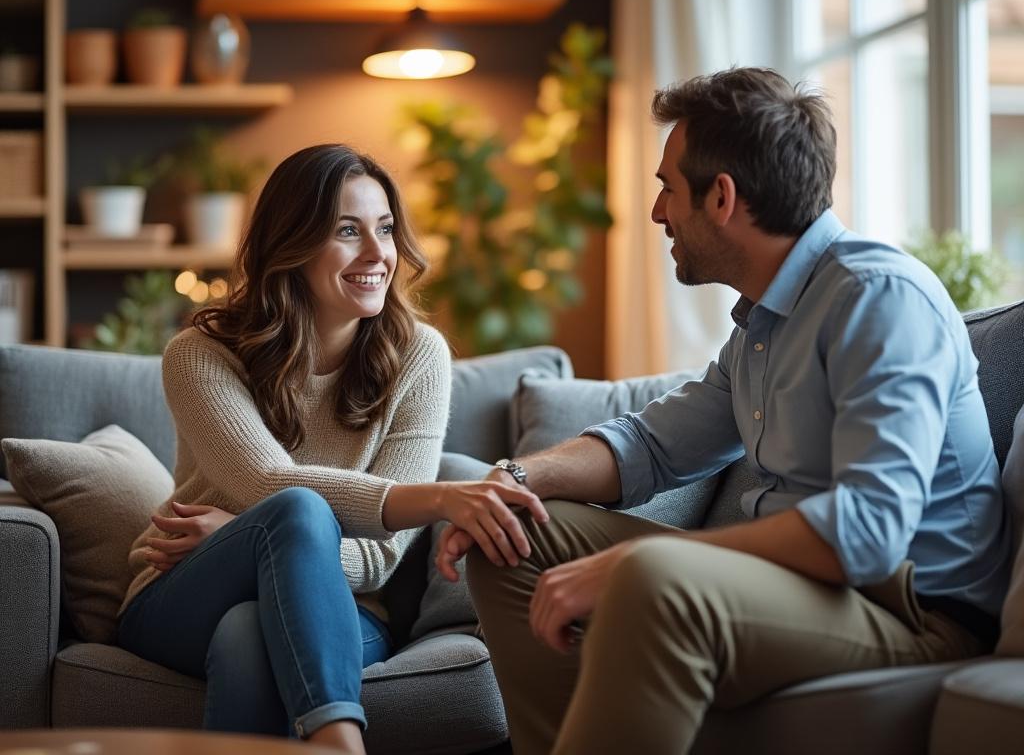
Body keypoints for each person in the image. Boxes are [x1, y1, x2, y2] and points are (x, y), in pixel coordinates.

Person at [436, 67, 1013, 754]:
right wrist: (513, 480)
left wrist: (632, 567)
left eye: (666, 189)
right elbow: (651, 446)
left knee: (655, 580)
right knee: (515, 538)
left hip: (910, 611)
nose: (656, 214)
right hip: (801, 586)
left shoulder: (879, 299)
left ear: (722, 197)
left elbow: (868, 531)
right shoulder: (764, 325)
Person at [116, 144, 546, 755]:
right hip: (181, 590)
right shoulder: (200, 355)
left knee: (248, 630)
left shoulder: (420, 357)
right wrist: (438, 498)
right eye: (348, 231)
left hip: (346, 609)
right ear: (291, 244)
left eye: (387, 230)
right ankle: (342, 743)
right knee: (296, 510)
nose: (378, 255)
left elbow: (380, 558)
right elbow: (269, 481)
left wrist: (253, 542)